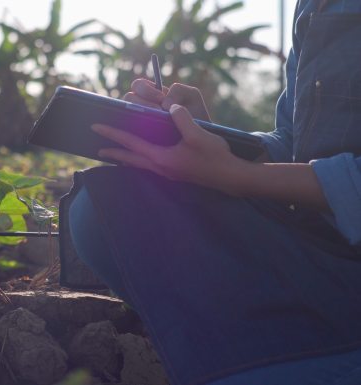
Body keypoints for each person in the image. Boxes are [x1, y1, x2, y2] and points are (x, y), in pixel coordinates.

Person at [66, 0, 361, 384]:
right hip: (318, 248)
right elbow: (294, 144)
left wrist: (236, 175)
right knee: (107, 209)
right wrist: (207, 133)